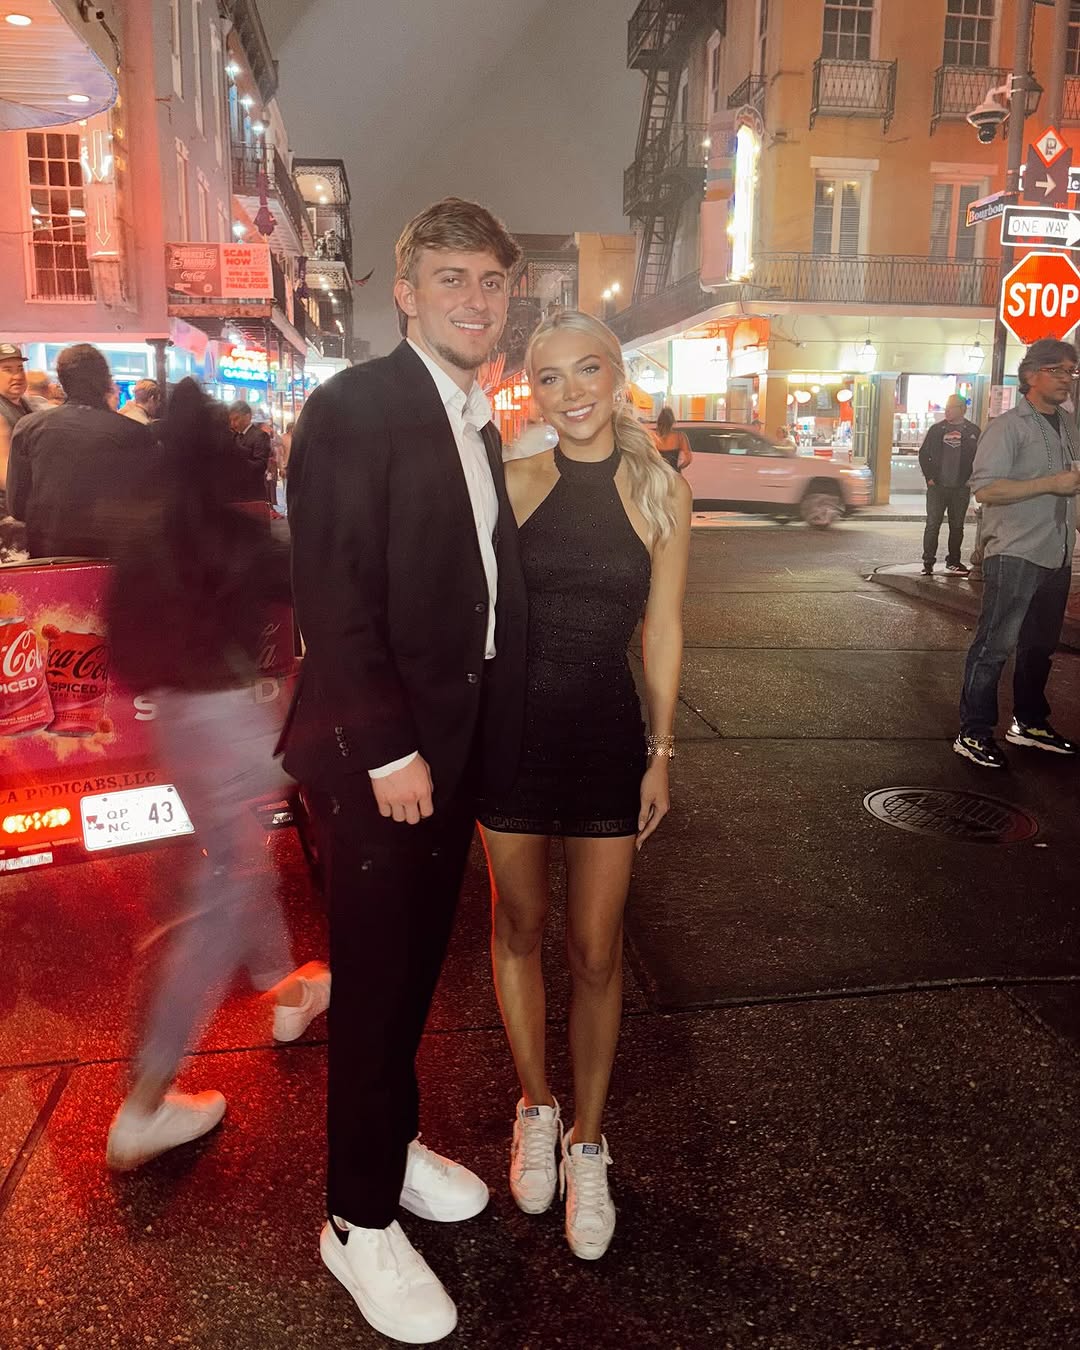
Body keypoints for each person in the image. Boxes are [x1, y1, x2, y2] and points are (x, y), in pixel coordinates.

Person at [280, 197, 527, 1345]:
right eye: (454, 278)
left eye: (493, 280)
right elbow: (331, 595)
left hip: (445, 753)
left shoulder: (474, 418)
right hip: (380, 762)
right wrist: (388, 748)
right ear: (409, 292)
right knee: (378, 993)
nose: (477, 299)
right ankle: (357, 1219)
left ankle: (392, 1144)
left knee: (414, 978)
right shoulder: (356, 406)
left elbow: (473, 591)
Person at [477, 310, 691, 1261]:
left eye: (587, 370)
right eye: (550, 378)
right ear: (533, 391)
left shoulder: (661, 490)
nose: (571, 393)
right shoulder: (511, 480)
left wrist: (662, 750)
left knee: (598, 953)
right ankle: (537, 1108)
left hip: (606, 737)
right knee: (518, 928)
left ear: (617, 376)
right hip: (510, 742)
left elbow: (664, 628)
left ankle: (589, 1141)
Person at [104, 378, 329, 1170]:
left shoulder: (139, 534)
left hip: (174, 728)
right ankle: (145, 1098)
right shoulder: (232, 532)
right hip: (234, 725)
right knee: (221, 900)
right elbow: (308, 577)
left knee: (236, 864)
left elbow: (122, 651)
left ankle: (290, 990)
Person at [955, 338, 1080, 768]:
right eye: (1057, 370)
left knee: (1039, 647)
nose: (1066, 379)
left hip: (1056, 551)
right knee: (995, 645)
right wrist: (1049, 484)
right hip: (1014, 551)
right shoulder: (1007, 427)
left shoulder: (1069, 427)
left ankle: (1029, 723)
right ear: (1030, 375)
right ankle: (973, 731)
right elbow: (986, 489)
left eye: (1071, 371)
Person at [6, 343, 153, 558]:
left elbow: (17, 506)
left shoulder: (28, 427)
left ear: (62, 382)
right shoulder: (135, 433)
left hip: (50, 558)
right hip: (115, 559)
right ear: (106, 381)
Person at [918, 394, 979, 575]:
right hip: (937, 487)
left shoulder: (973, 431)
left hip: (960, 487)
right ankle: (928, 562)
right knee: (932, 524)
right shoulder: (937, 430)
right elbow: (924, 454)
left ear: (962, 409)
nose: (947, 410)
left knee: (957, 526)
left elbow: (981, 456)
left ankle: (954, 561)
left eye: (951, 407)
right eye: (946, 407)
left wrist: (971, 479)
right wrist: (930, 477)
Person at [0, 342, 32, 518]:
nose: (17, 376)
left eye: (20, 368)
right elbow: (4, 473)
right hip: (7, 510)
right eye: (7, 370)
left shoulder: (26, 404)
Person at [228, 400, 273, 501]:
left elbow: (261, 465)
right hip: (235, 494)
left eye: (236, 419)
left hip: (252, 495)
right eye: (230, 420)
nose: (233, 424)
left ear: (248, 416)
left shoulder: (260, 436)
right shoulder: (234, 436)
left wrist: (238, 460)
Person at [653, 406, 693, 472]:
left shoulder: (653, 437)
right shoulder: (680, 436)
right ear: (672, 421)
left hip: (659, 473)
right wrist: (679, 468)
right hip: (673, 472)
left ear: (659, 421)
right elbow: (688, 459)